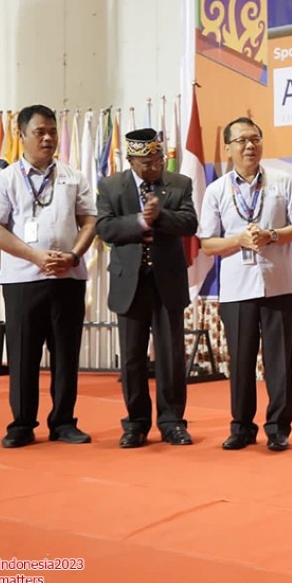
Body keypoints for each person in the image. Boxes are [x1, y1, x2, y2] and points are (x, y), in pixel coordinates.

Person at [0, 105, 97, 448]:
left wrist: (73, 255)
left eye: (52, 132)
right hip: (22, 280)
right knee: (22, 353)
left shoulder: (73, 176)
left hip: (68, 278)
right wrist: (34, 255)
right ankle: (21, 423)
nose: (48, 138)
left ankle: (63, 421)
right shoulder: (5, 179)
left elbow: (90, 221)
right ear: (21, 136)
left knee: (65, 353)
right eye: (39, 132)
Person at [199, 118, 292, 452]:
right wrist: (239, 240)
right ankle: (242, 426)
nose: (250, 146)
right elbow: (207, 244)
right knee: (241, 360)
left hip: (278, 282)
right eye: (242, 141)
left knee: (279, 360)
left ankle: (278, 428)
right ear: (229, 147)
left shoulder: (282, 181)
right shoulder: (217, 190)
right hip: (236, 288)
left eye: (255, 139)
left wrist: (272, 235)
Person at [95, 129, 198, 448]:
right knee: (132, 357)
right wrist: (140, 222)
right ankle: (136, 423)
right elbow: (105, 228)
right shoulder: (111, 186)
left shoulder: (179, 183)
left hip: (167, 281)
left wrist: (160, 216)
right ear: (131, 161)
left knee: (171, 356)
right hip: (131, 283)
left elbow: (190, 224)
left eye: (157, 160)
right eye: (147, 162)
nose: (154, 167)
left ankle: (172, 422)